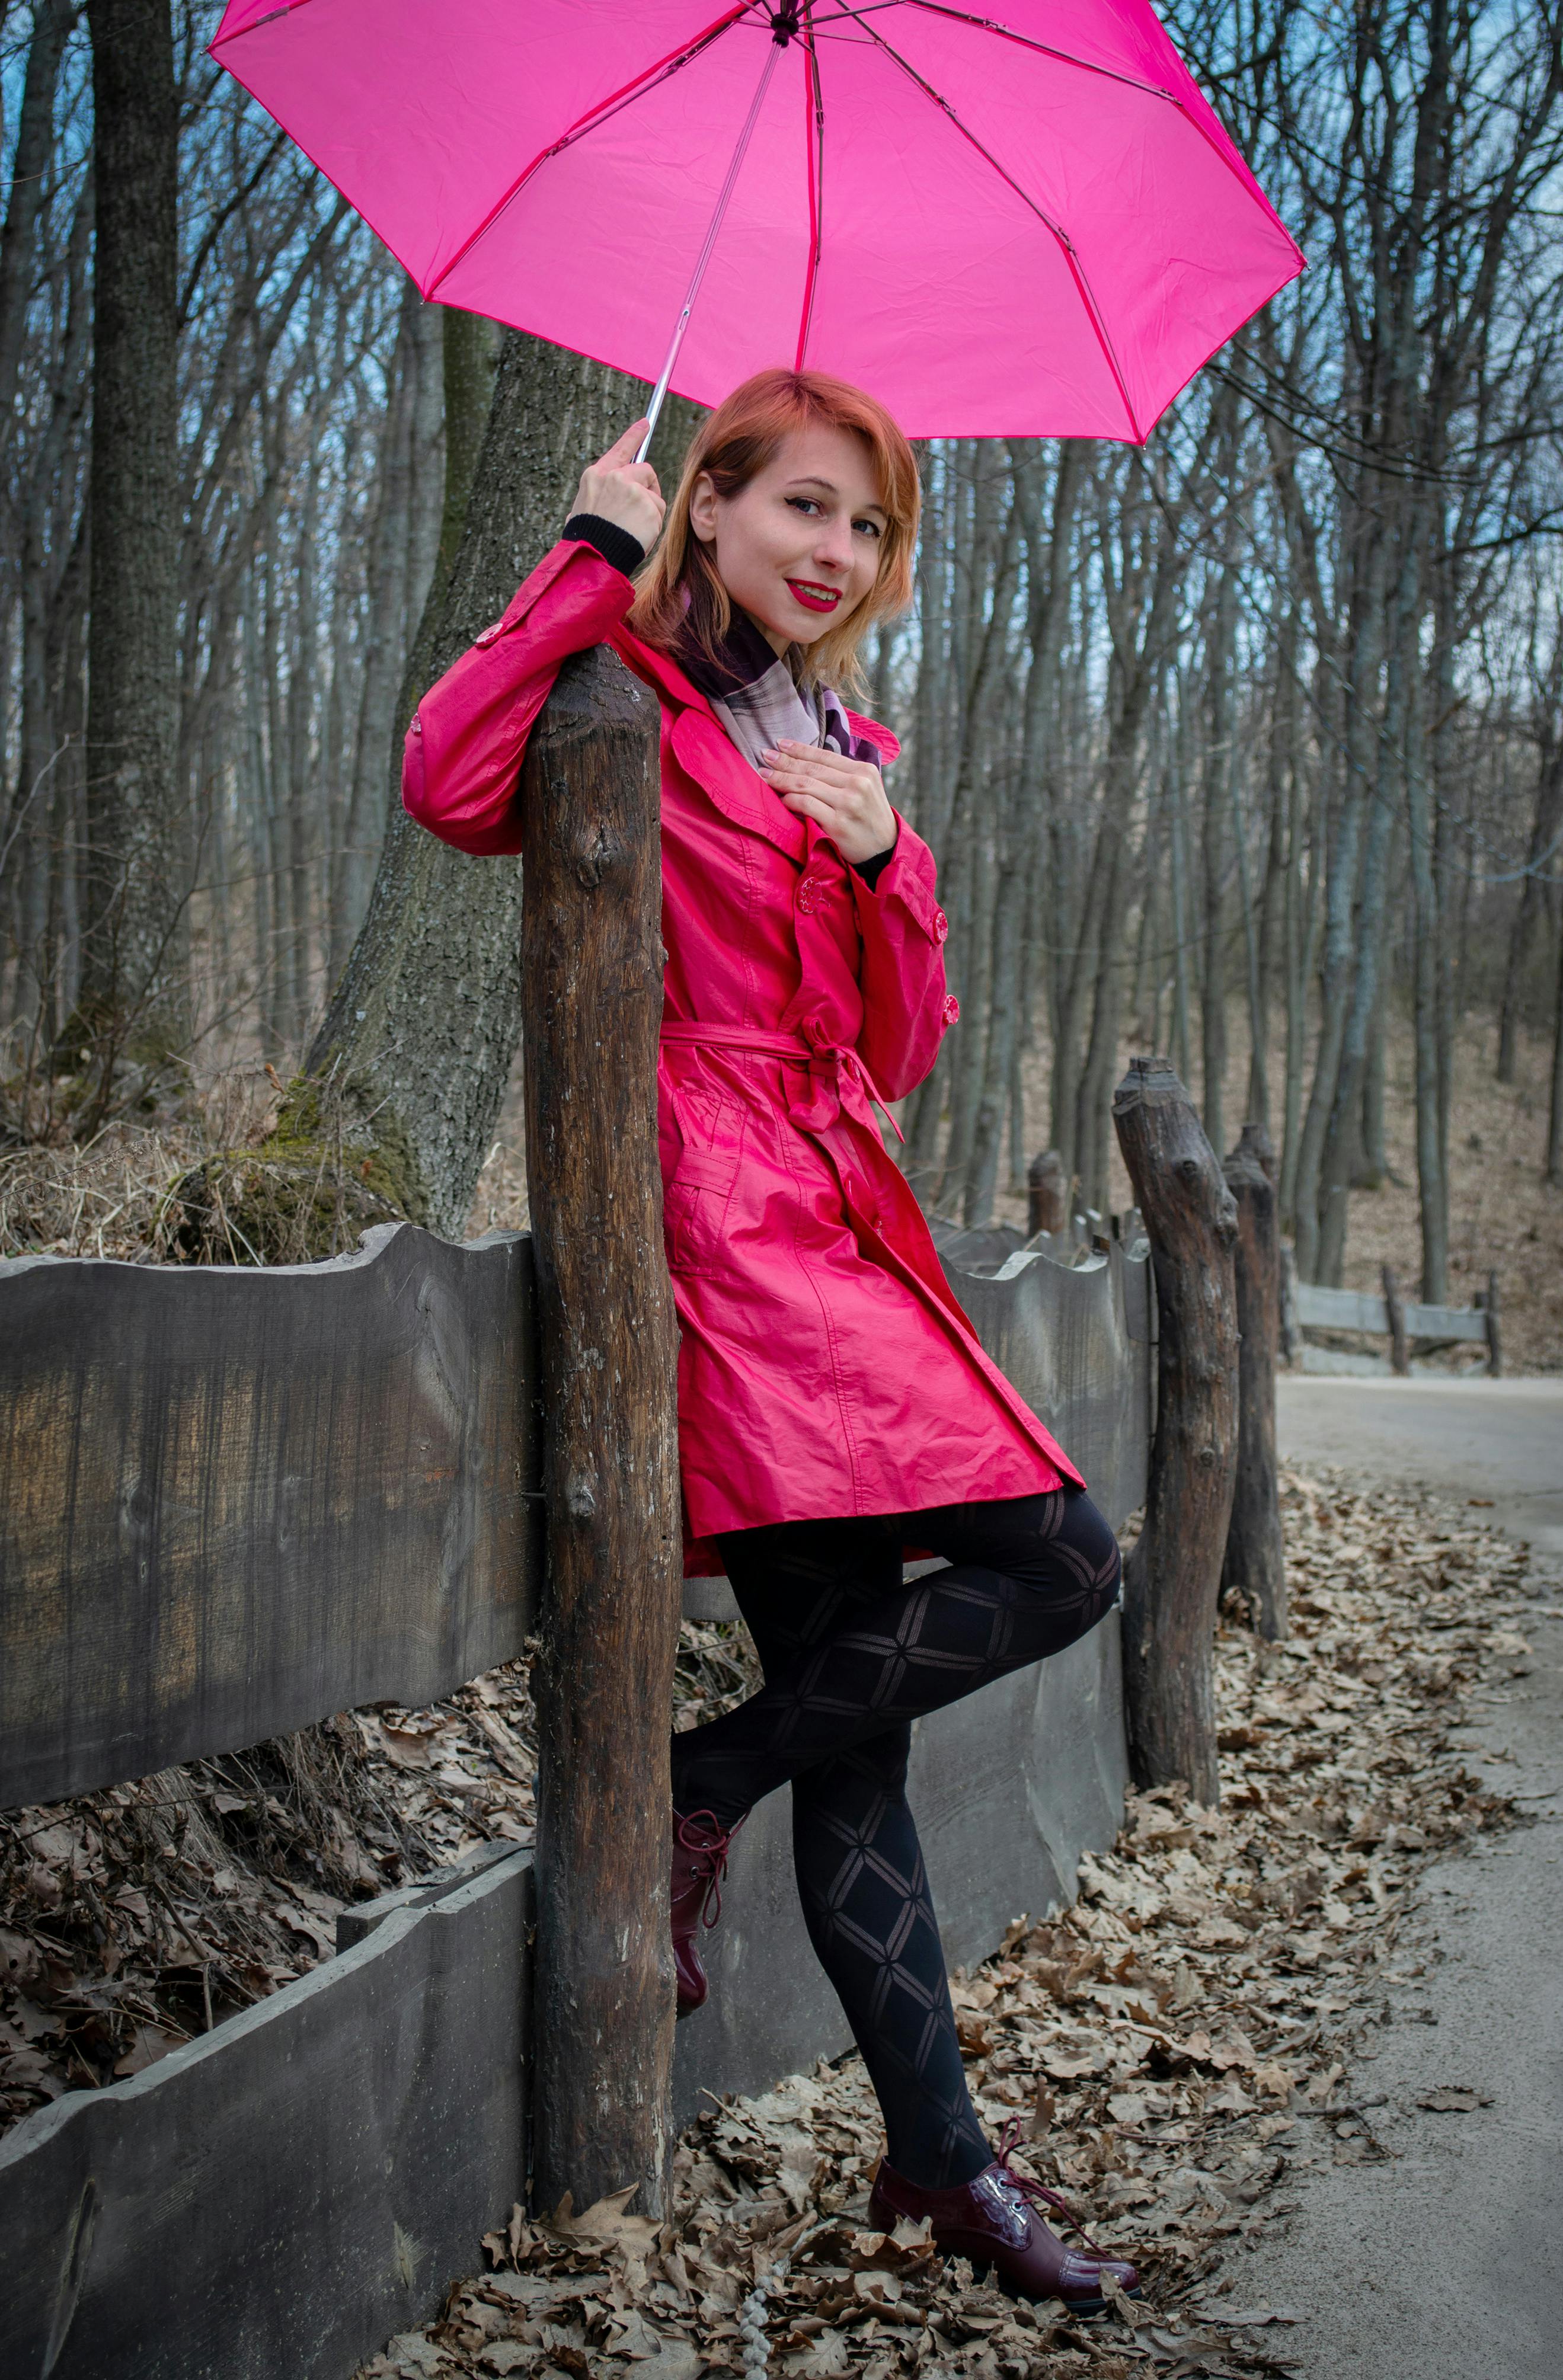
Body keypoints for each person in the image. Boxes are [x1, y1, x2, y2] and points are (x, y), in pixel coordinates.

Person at [404, 368, 1138, 2313]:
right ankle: (741, 1828)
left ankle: (930, 2146)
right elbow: (445, 786)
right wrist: (582, 556)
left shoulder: (839, 743)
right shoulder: (622, 695)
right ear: (709, 505)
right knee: (1061, 1561)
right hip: (722, 1223)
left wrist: (891, 860)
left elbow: (895, 1047)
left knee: (867, 1714)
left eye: (868, 525)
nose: (836, 551)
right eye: (802, 504)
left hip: (837, 1205)